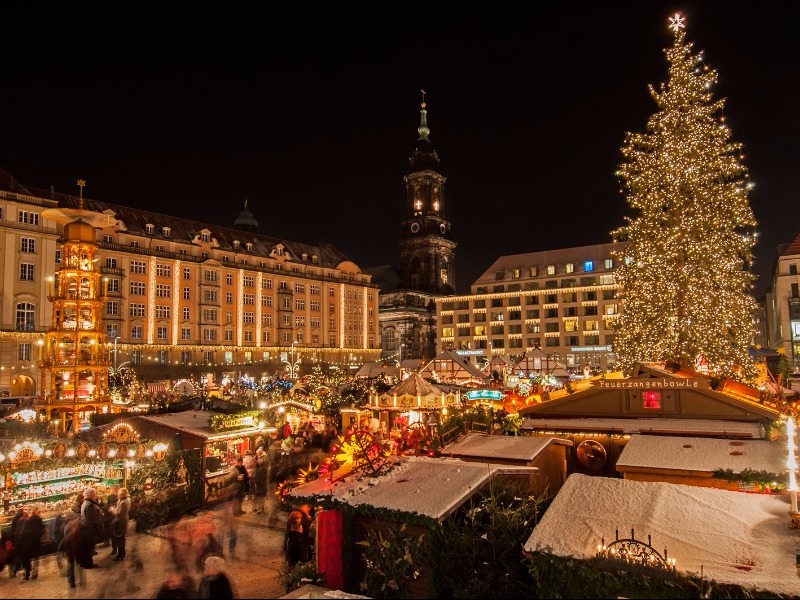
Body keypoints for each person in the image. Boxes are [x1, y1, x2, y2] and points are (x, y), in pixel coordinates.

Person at [17, 505, 44, 581]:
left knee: (28, 558)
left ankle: (28, 573)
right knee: (36, 557)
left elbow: (24, 532)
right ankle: (35, 572)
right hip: (37, 541)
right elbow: (42, 530)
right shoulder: (39, 519)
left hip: (29, 542)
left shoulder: (28, 521)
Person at [79, 487, 104, 568]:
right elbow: (91, 519)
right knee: (89, 547)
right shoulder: (89, 504)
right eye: (94, 493)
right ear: (90, 495)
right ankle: (88, 564)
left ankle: (86, 563)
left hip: (87, 529)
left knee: (87, 547)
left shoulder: (86, 503)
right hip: (89, 530)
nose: (95, 495)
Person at [111, 487, 131, 560]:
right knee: (121, 538)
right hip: (122, 521)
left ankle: (120, 555)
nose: (117, 494)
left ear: (121, 494)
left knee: (120, 539)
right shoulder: (123, 500)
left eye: (118, 493)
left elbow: (120, 514)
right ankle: (121, 554)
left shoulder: (124, 502)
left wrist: (113, 510)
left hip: (120, 522)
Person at [253, 447, 269, 515]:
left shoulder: (263, 460)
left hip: (261, 482)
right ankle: (260, 508)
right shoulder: (261, 467)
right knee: (260, 496)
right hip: (261, 482)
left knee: (260, 496)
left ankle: (261, 509)